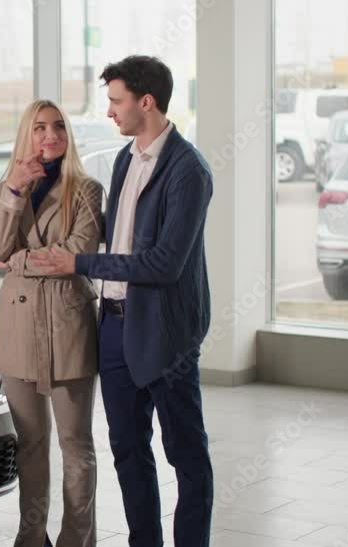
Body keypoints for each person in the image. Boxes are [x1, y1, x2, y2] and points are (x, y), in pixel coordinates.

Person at [28, 56, 215, 547]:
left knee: (186, 455)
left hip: (165, 331)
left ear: (145, 102)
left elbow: (163, 264)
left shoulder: (188, 171)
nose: (109, 111)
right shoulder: (125, 159)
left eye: (116, 101)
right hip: (112, 329)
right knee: (128, 451)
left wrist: (79, 263)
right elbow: (116, 236)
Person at [0, 99, 104, 547]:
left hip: (68, 325)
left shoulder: (86, 190)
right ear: (26, 135)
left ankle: (77, 539)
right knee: (30, 443)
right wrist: (15, 191)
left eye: (57, 127)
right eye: (39, 128)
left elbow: (76, 253)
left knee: (76, 445)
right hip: (18, 329)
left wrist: (17, 261)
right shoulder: (7, 188)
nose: (50, 135)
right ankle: (30, 537)